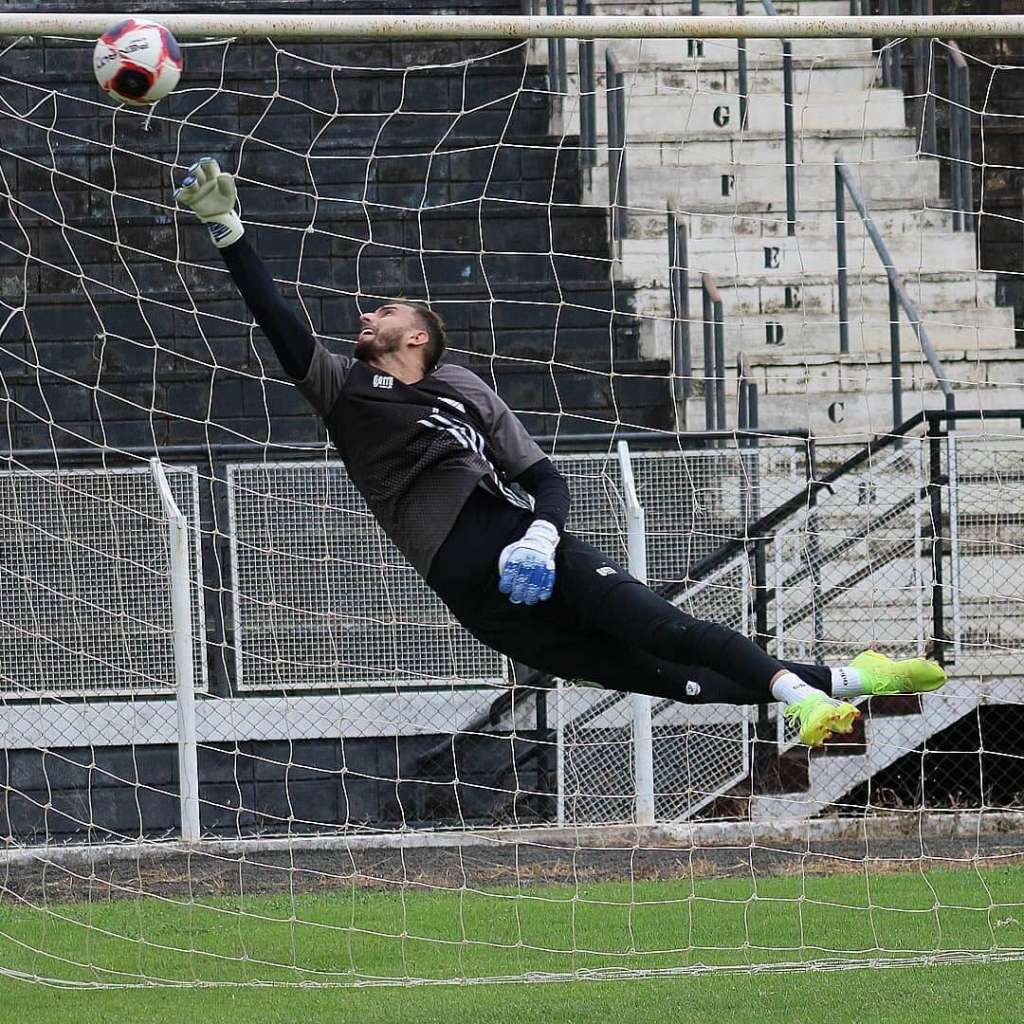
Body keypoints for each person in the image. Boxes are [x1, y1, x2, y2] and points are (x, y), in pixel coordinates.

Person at [175, 158, 947, 747]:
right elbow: (278, 322)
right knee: (671, 680)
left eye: (384, 310)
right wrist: (229, 232)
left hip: (522, 545)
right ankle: (852, 676)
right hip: (474, 595)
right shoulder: (343, 388)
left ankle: (807, 701)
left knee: (664, 628)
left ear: (416, 336)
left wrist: (542, 534)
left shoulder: (462, 388)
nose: (366, 315)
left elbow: (542, 475)